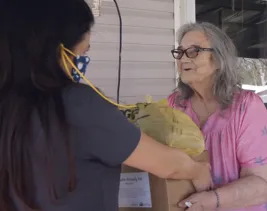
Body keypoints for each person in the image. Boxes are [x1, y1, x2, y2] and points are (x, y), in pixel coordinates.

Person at [0, 1, 212, 211]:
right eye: (83, 53)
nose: (84, 58)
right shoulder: (78, 105)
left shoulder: (9, 105)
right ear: (60, 50)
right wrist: (197, 170)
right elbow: (167, 165)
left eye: (194, 52)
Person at [168, 22, 267, 211]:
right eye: (180, 52)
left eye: (194, 51)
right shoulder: (174, 104)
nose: (183, 59)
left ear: (218, 58)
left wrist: (211, 201)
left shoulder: (245, 107)